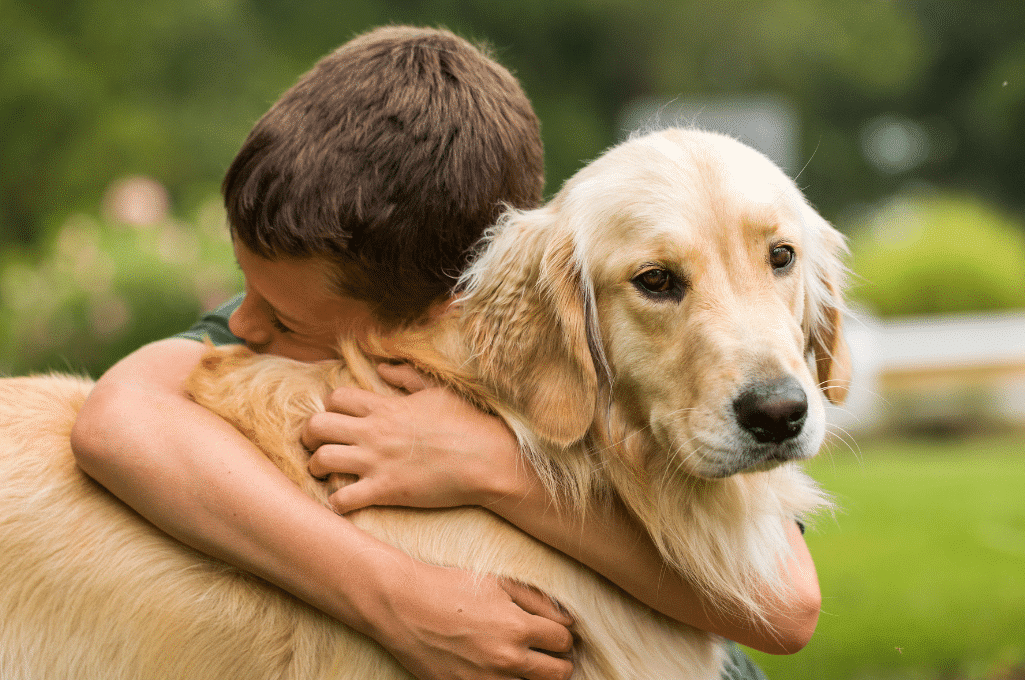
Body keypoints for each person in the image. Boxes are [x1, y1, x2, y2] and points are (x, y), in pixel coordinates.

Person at [71, 25, 817, 680]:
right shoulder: (320, 296)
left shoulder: (556, 301)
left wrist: (494, 470)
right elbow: (117, 419)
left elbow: (786, 609)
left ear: (441, 312)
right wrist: (395, 596)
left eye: (286, 315)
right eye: (247, 292)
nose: (246, 327)